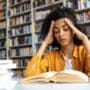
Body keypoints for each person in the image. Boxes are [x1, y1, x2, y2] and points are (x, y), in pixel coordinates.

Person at [24, 7, 90, 77]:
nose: (61, 34)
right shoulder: (50, 57)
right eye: (56, 31)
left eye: (65, 29)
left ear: (73, 30)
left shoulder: (84, 52)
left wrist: (84, 38)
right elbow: (30, 75)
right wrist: (45, 43)